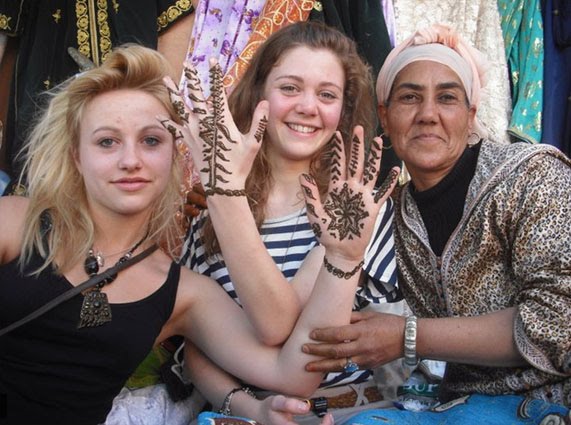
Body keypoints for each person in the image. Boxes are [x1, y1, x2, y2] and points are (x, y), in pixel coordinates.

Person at [0, 44, 398, 425]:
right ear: (76, 155)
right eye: (107, 141)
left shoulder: (182, 293)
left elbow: (290, 370)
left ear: (175, 151)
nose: (130, 160)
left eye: (151, 141)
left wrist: (344, 260)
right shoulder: (15, 224)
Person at [301, 24, 571, 417]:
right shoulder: (392, 212)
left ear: (470, 114)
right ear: (385, 116)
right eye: (410, 97)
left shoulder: (533, 176)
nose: (428, 114)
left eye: (447, 98)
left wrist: (408, 336)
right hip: (457, 407)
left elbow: (560, 324)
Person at [170, 21, 404, 425]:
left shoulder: (359, 209)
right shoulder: (210, 215)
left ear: (343, 110)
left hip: (351, 414)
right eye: (290, 88)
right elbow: (197, 344)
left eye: (326, 94)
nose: (308, 107)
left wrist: (225, 197)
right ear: (260, 93)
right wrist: (248, 408)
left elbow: (283, 329)